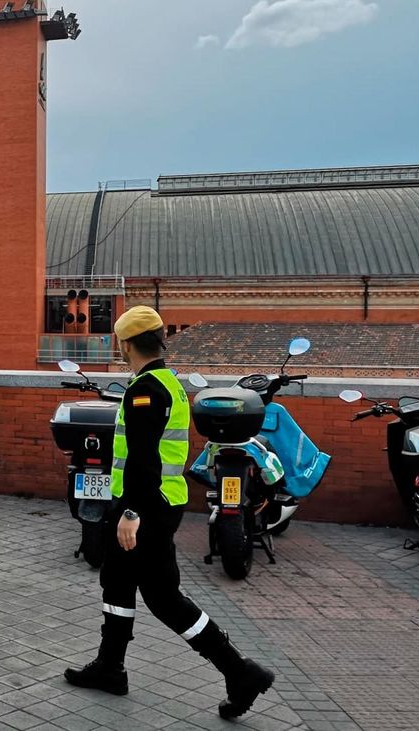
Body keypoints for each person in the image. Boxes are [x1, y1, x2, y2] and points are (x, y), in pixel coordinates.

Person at [64, 306, 275, 720]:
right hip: (159, 501)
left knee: (163, 598)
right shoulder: (166, 382)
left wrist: (129, 513)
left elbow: (143, 458)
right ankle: (110, 666)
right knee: (118, 582)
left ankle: (239, 671)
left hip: (147, 506)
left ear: (126, 344)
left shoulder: (146, 390)